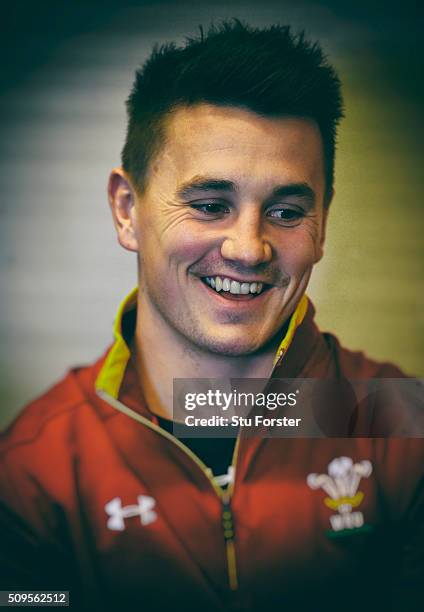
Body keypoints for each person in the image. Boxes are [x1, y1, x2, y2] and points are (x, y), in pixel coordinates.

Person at [0, 21, 422, 612]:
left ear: (322, 222)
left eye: (286, 210)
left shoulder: (401, 427)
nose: (249, 248)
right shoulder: (35, 470)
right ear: (127, 210)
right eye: (208, 205)